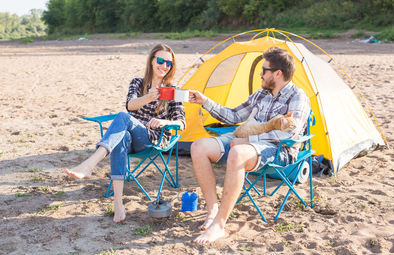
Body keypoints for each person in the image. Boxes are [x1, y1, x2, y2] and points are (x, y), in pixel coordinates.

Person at [189, 47, 310, 243]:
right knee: (198, 147)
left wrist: (248, 141)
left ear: (278, 73)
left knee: (237, 153)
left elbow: (290, 133)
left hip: (280, 149)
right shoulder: (261, 94)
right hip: (244, 141)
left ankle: (219, 225)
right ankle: (212, 211)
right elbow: (234, 116)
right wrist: (205, 102)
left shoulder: (298, 97)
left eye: (264, 70)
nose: (261, 74)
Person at [65, 44, 186, 223]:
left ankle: (90, 164)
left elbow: (182, 123)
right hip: (130, 137)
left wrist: (164, 122)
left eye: (169, 62)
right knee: (121, 136)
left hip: (152, 139)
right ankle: (118, 205)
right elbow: (130, 105)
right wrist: (148, 97)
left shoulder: (174, 90)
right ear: (152, 61)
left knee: (122, 118)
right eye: (161, 60)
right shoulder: (137, 83)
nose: (165, 65)